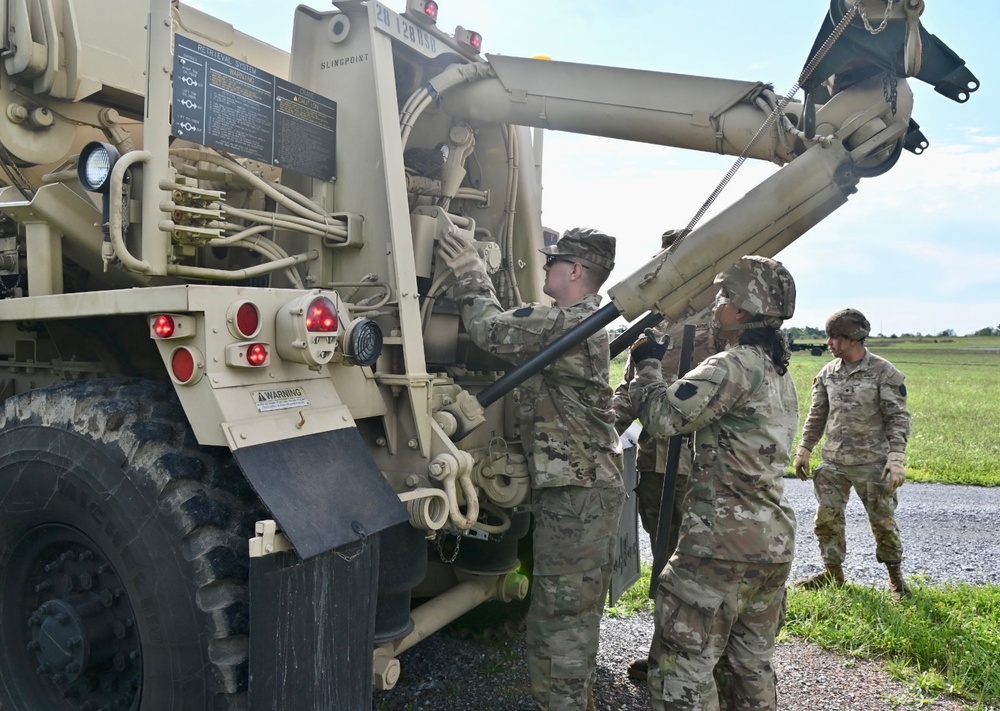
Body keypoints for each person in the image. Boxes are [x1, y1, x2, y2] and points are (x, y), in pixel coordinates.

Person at [436, 227, 625, 711]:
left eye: (554, 262)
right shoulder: (574, 321)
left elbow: (491, 330)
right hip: (581, 490)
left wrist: (471, 275)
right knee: (569, 616)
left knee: (559, 622)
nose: (545, 267)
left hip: (578, 495)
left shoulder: (571, 323)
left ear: (576, 270)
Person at [628, 255, 799, 710]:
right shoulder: (777, 369)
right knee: (748, 665)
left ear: (741, 310)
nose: (716, 303)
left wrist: (646, 366)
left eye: (723, 295)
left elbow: (664, 418)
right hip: (771, 541)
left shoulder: (732, 363)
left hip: (720, 546)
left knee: (681, 669)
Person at [612, 229, 716, 683]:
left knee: (702, 564)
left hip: (702, 466)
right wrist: (606, 429)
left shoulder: (722, 323)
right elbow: (629, 386)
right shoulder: (653, 324)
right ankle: (663, 649)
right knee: (665, 556)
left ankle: (702, 655)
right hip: (656, 463)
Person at [793, 308, 912, 599]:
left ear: (853, 338)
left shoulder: (884, 372)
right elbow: (817, 415)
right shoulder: (827, 374)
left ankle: (896, 579)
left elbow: (898, 418)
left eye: (835, 337)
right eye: (829, 337)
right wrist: (804, 449)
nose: (830, 343)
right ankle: (833, 574)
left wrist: (895, 458)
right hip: (834, 462)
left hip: (873, 463)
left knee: (883, 523)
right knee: (826, 521)